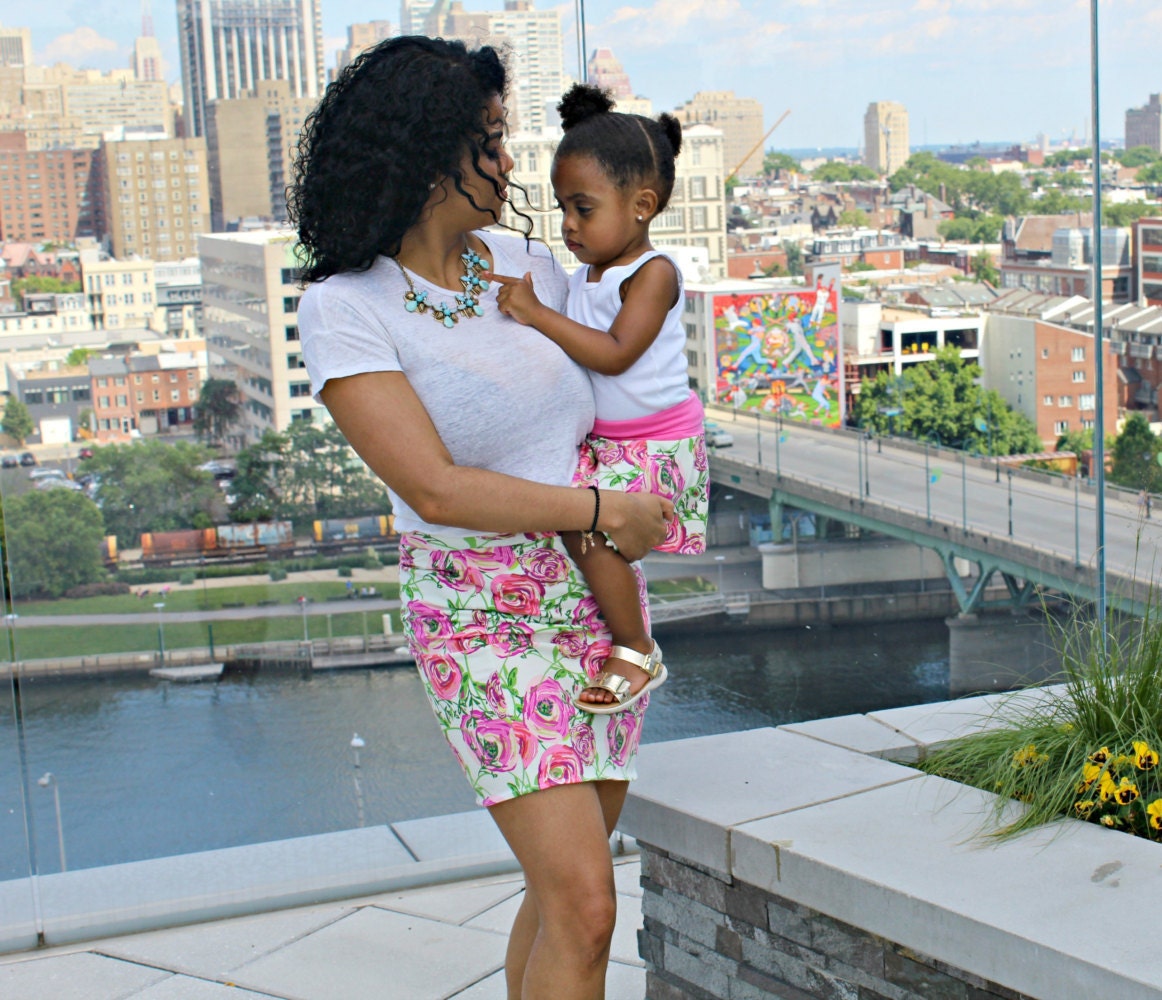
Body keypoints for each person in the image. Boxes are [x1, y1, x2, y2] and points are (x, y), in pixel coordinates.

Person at [288, 37, 672, 1000]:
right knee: (587, 906)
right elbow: (436, 488)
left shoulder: (523, 262)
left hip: (592, 601)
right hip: (479, 612)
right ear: (429, 155)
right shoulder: (347, 307)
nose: (512, 163)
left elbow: (624, 354)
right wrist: (599, 506)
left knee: (560, 902)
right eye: (492, 141)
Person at [487, 84, 709, 715]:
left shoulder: (653, 272)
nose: (568, 226)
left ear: (642, 205)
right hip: (610, 440)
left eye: (583, 208)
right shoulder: (588, 271)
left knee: (592, 532)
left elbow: (614, 352)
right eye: (562, 209)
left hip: (656, 439)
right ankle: (620, 637)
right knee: (575, 525)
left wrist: (531, 311)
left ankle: (636, 648)